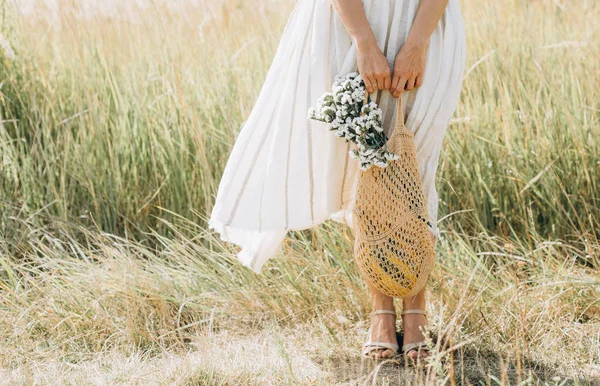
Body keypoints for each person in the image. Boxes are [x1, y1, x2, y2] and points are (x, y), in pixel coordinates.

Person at [209, 0, 466, 360]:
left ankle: (415, 308)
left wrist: (418, 43)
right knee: (363, 162)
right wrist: (363, 42)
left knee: (417, 163)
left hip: (425, 21)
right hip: (352, 23)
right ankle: (381, 309)